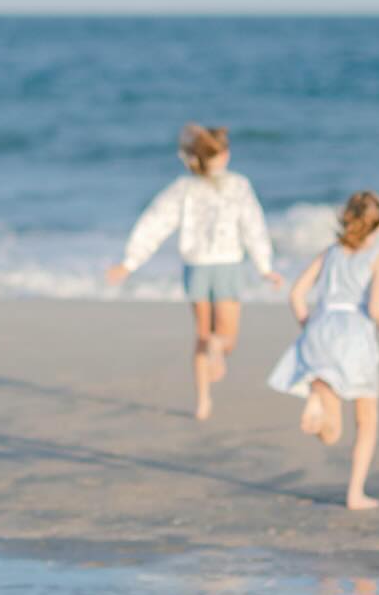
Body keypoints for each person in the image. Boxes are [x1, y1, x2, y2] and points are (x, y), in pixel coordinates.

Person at [107, 125, 283, 421]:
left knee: (202, 334)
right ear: (224, 155)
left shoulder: (183, 188)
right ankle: (218, 349)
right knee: (227, 336)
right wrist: (265, 266)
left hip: (196, 266)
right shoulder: (238, 185)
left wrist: (130, 261)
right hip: (227, 264)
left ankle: (203, 400)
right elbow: (253, 225)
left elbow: (156, 221)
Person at [266, 190, 379, 511]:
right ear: (378, 227)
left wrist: (310, 326)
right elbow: (376, 307)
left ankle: (318, 398)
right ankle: (355, 494)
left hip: (320, 329)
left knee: (332, 432)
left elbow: (296, 294)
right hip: (354, 336)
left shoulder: (330, 253)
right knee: (366, 420)